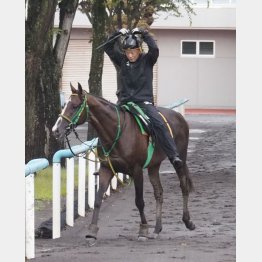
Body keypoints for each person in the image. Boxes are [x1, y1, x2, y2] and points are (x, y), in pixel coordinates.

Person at [103, 27, 183, 168]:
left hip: (144, 104)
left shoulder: (148, 60)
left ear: (139, 50)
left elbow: (155, 49)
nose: (130, 55)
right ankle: (105, 160)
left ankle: (173, 156)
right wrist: (117, 34)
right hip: (124, 103)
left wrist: (143, 34)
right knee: (106, 121)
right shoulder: (121, 61)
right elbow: (108, 47)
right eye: (127, 52)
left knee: (159, 124)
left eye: (132, 51)